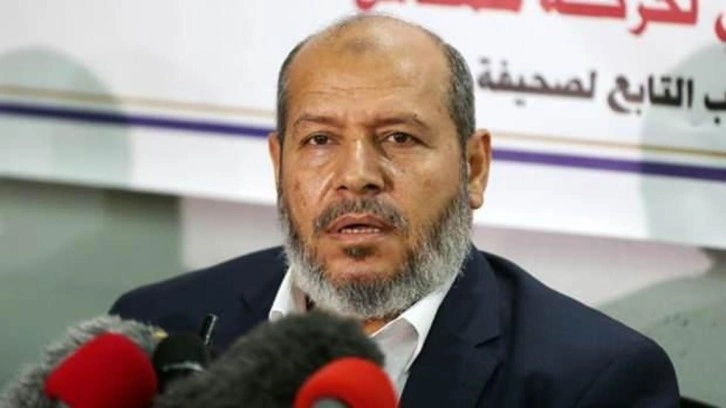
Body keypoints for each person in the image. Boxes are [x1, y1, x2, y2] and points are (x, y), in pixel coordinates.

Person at [110, 14, 679, 406]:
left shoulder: (593, 384)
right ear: (279, 165)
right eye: (320, 140)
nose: (357, 174)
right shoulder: (158, 329)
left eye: (400, 138)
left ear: (474, 167)